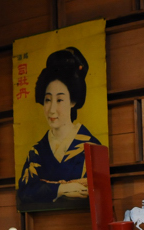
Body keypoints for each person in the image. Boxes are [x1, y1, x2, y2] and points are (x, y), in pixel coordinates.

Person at [17, 47, 102, 209]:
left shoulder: (91, 147)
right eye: (48, 100)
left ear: (73, 101)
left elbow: (93, 192)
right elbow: (25, 191)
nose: (52, 109)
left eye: (60, 100)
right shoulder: (37, 152)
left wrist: (45, 187)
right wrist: (62, 189)